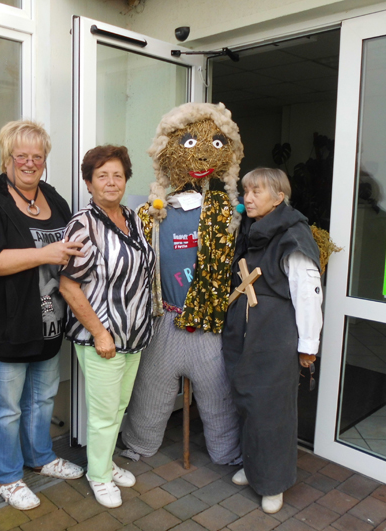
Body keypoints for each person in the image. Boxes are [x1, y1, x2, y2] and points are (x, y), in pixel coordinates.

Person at [0, 120, 85, 511]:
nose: (30, 163)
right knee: (7, 409)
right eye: (21, 156)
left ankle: (40, 457)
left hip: (47, 321)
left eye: (38, 156)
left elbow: (72, 243)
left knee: (43, 398)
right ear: (7, 158)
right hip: (4, 325)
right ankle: (8, 477)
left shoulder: (52, 197)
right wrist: (44, 254)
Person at [121, 102, 242, 466]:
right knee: (150, 391)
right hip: (164, 321)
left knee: (218, 395)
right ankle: (139, 442)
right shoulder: (150, 215)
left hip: (208, 324)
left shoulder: (225, 212)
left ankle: (227, 450)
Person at [222, 167, 323, 514]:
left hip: (274, 335)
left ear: (279, 197)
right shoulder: (252, 229)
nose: (248, 198)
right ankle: (255, 468)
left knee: (272, 410)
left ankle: (273, 482)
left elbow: (308, 293)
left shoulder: (293, 235)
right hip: (247, 333)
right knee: (248, 402)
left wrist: (308, 345)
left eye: (257, 192)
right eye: (246, 191)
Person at [59, 145, 155, 508]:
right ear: (89, 183)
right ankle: (98, 475)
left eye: (118, 175)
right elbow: (68, 286)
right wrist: (100, 333)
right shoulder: (83, 225)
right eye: (102, 176)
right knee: (103, 413)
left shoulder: (133, 217)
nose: (111, 182)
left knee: (118, 408)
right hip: (101, 336)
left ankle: (104, 462)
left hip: (134, 334)